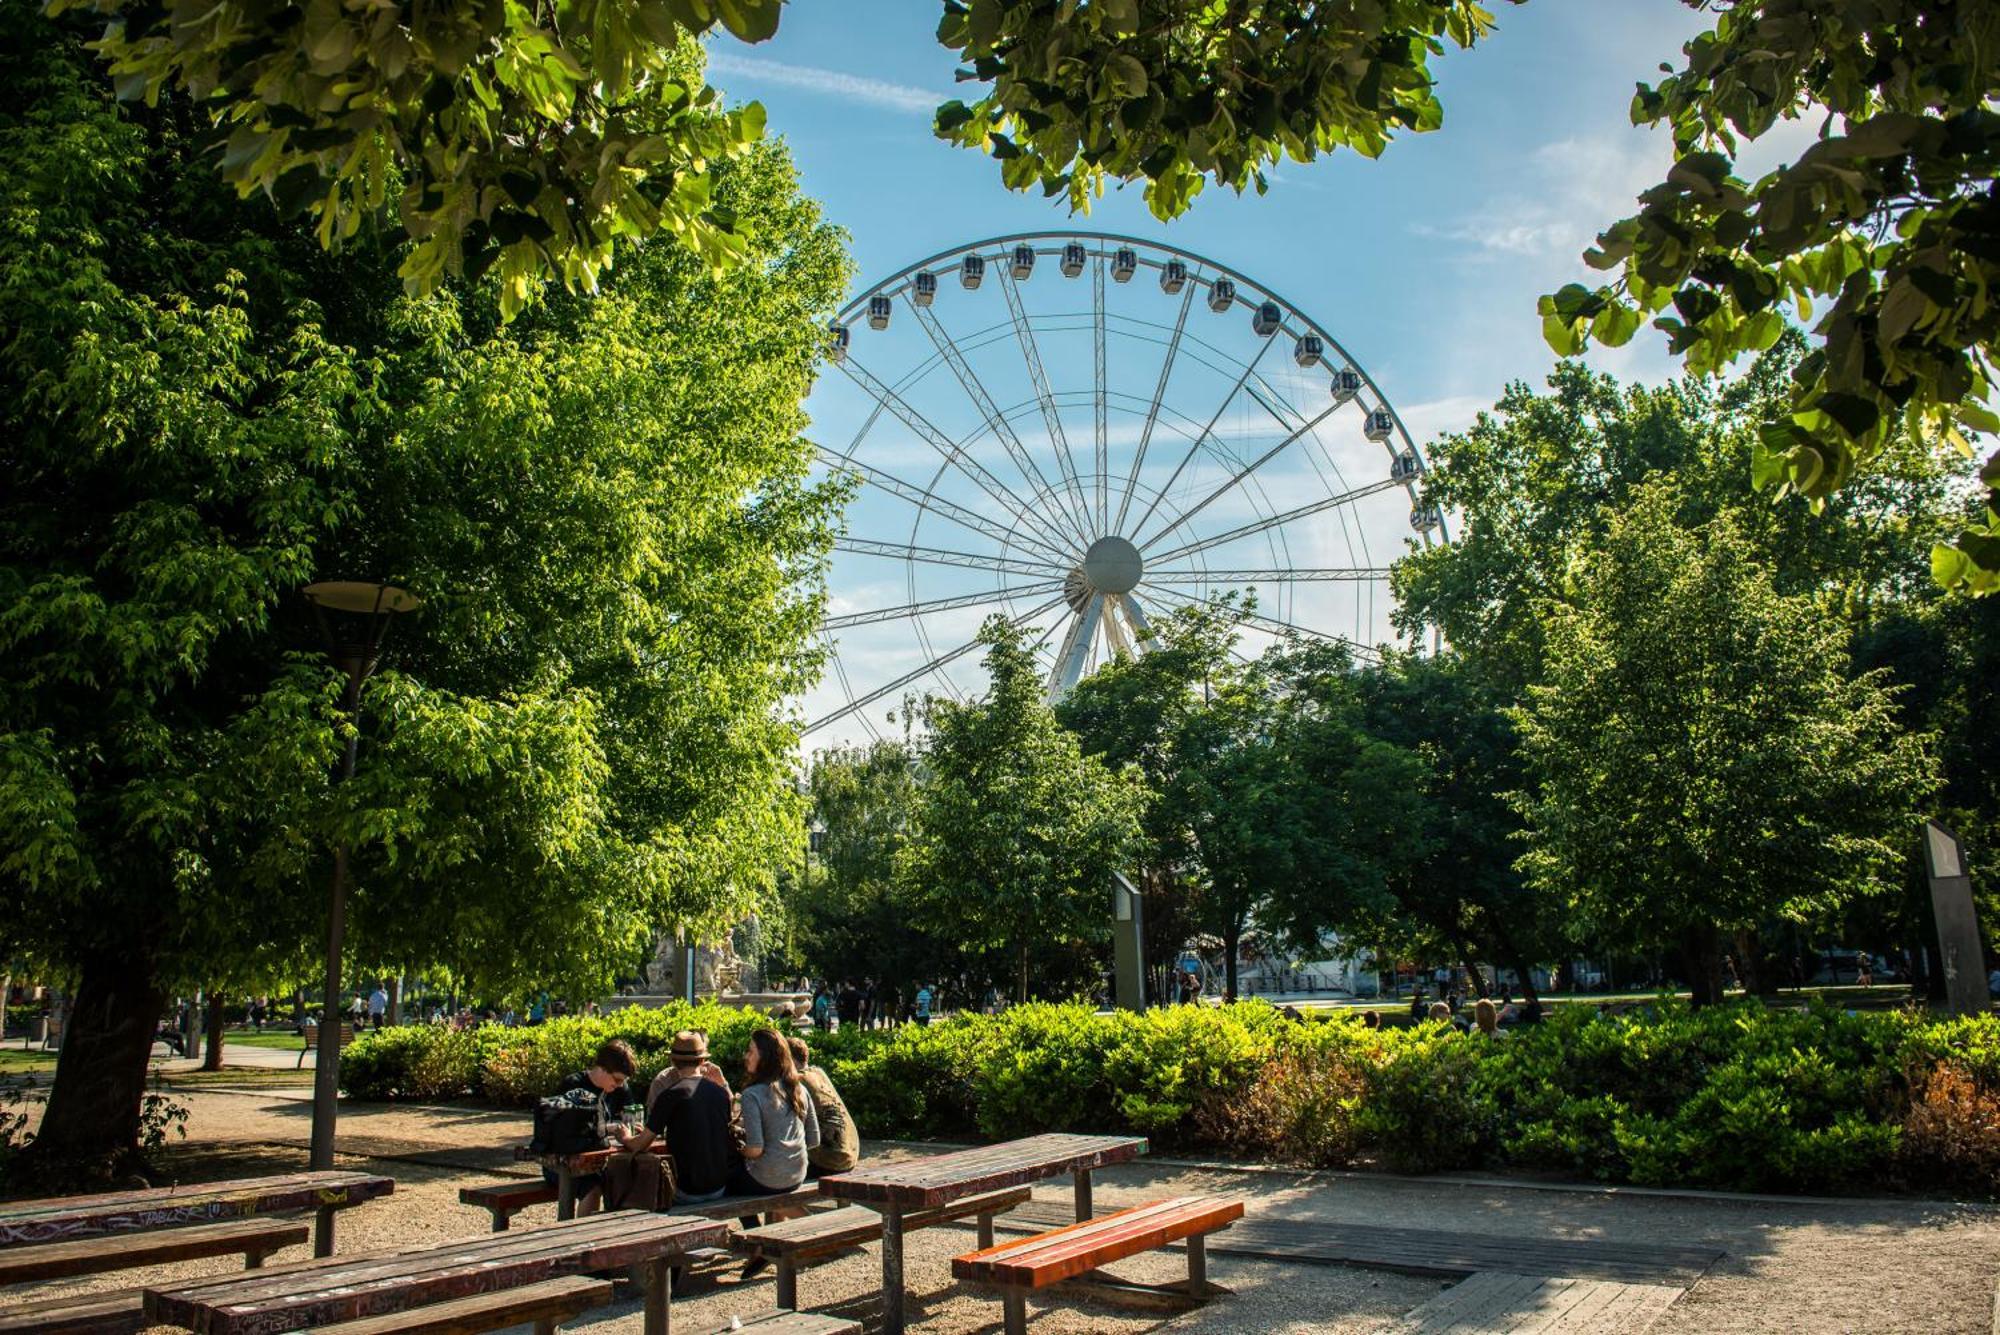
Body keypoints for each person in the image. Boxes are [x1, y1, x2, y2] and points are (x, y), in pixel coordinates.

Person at [730, 1029, 821, 1279]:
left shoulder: (753, 1094)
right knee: (766, 1185)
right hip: (798, 1173)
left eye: (750, 1051)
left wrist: (740, 1148)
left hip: (769, 1177)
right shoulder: (798, 1088)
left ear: (765, 1057)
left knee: (729, 1178)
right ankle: (770, 1241)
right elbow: (814, 1139)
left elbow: (756, 1150)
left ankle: (758, 1241)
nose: (745, 1056)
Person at [626, 1031, 734, 1204]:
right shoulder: (721, 1094)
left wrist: (625, 1137)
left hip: (685, 1190)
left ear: (672, 1061)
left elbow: (641, 1145)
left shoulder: (670, 1095)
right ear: (702, 1060)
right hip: (719, 1187)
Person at [543, 1039, 643, 1212]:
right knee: (593, 1187)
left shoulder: (619, 1088)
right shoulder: (573, 1086)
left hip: (595, 1160)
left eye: (623, 1081)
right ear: (602, 1069)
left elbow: (629, 1114)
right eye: (617, 1079)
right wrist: (609, 1131)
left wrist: (631, 1129)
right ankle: (583, 1236)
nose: (619, 1085)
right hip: (560, 1163)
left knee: (627, 1178)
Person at [786, 1037, 859, 1176]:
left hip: (828, 1161)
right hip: (850, 1155)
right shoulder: (819, 1073)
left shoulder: (796, 1081)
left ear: (789, 1059)